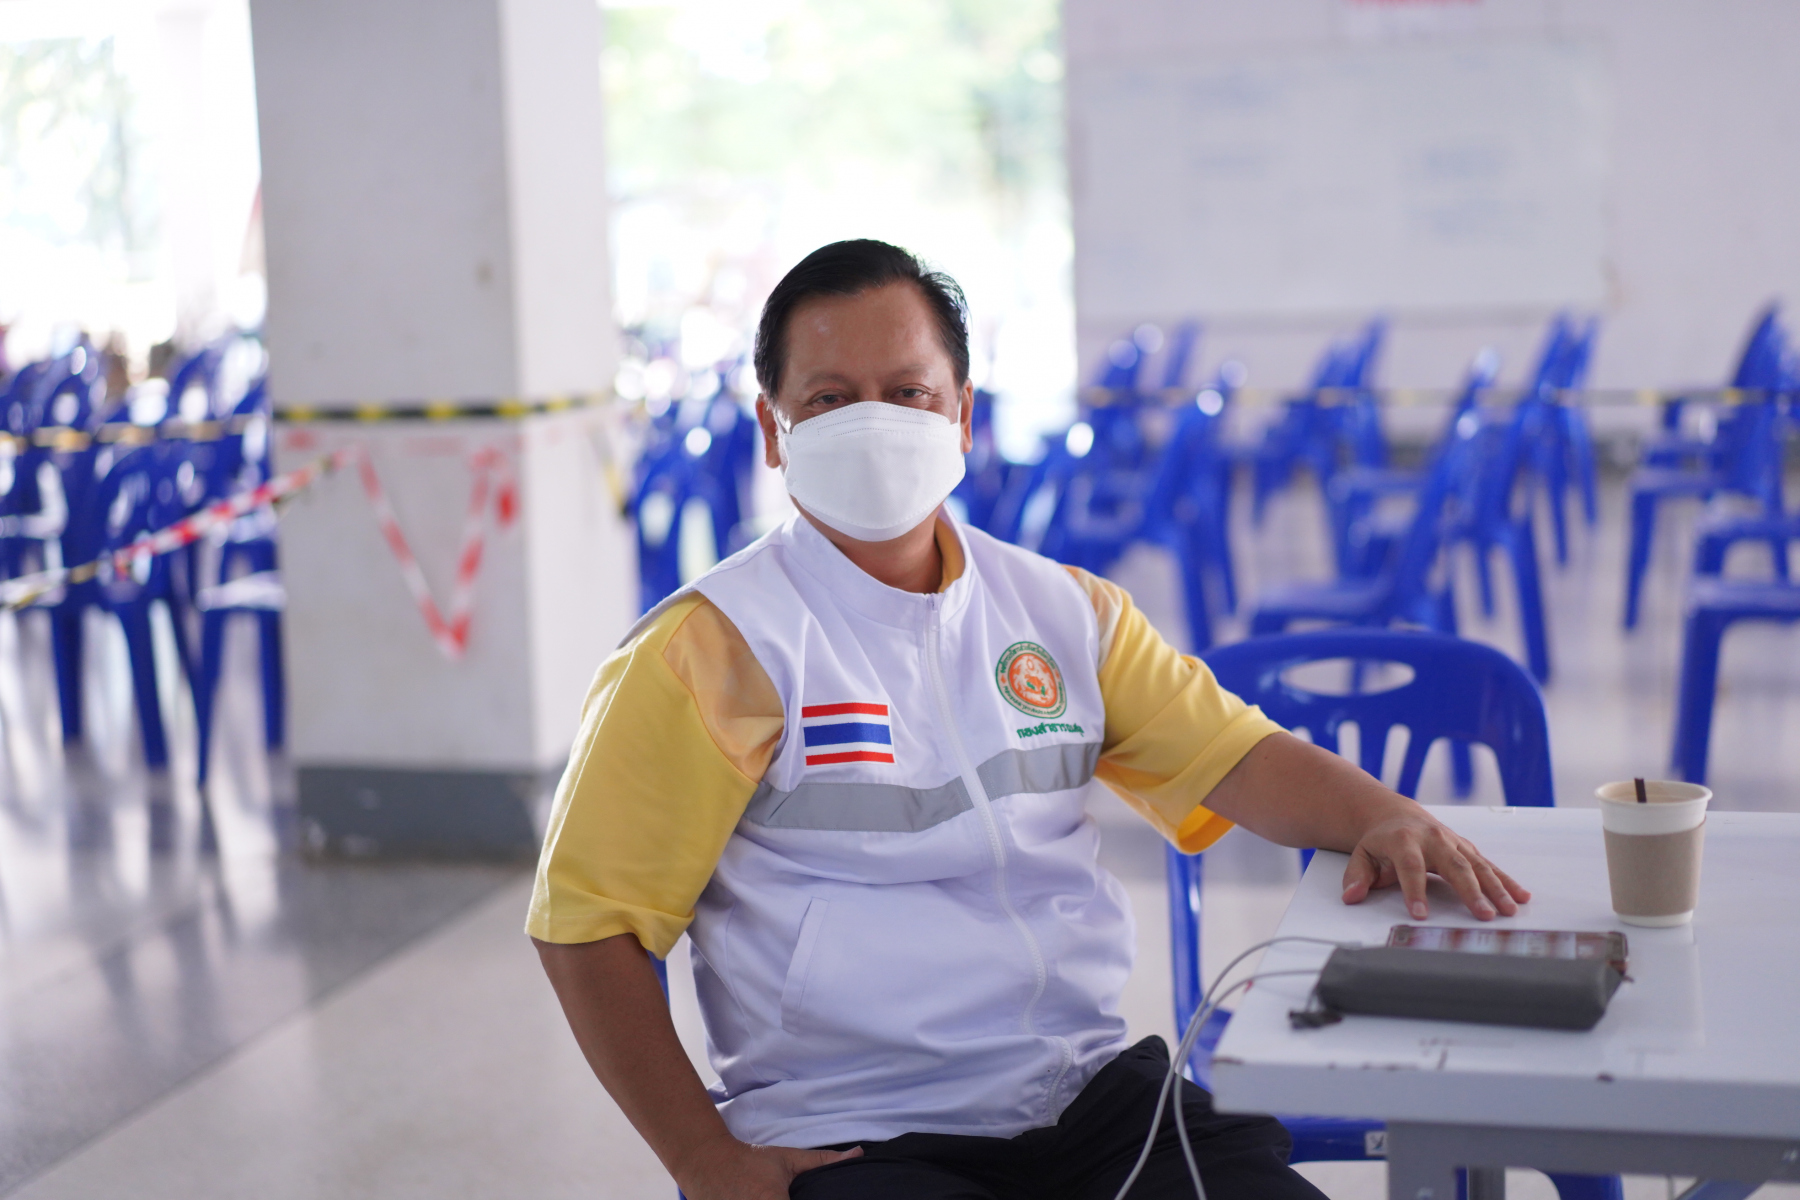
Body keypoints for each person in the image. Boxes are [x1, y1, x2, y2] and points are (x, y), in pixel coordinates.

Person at [529, 240, 1531, 1200]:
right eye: (830, 400)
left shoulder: (1063, 613)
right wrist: (704, 1157)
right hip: (852, 1125)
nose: (874, 423)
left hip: (1086, 1092)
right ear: (772, 430)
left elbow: (1236, 756)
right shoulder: (708, 650)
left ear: (963, 414)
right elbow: (587, 927)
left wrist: (1383, 815)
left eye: (908, 393)